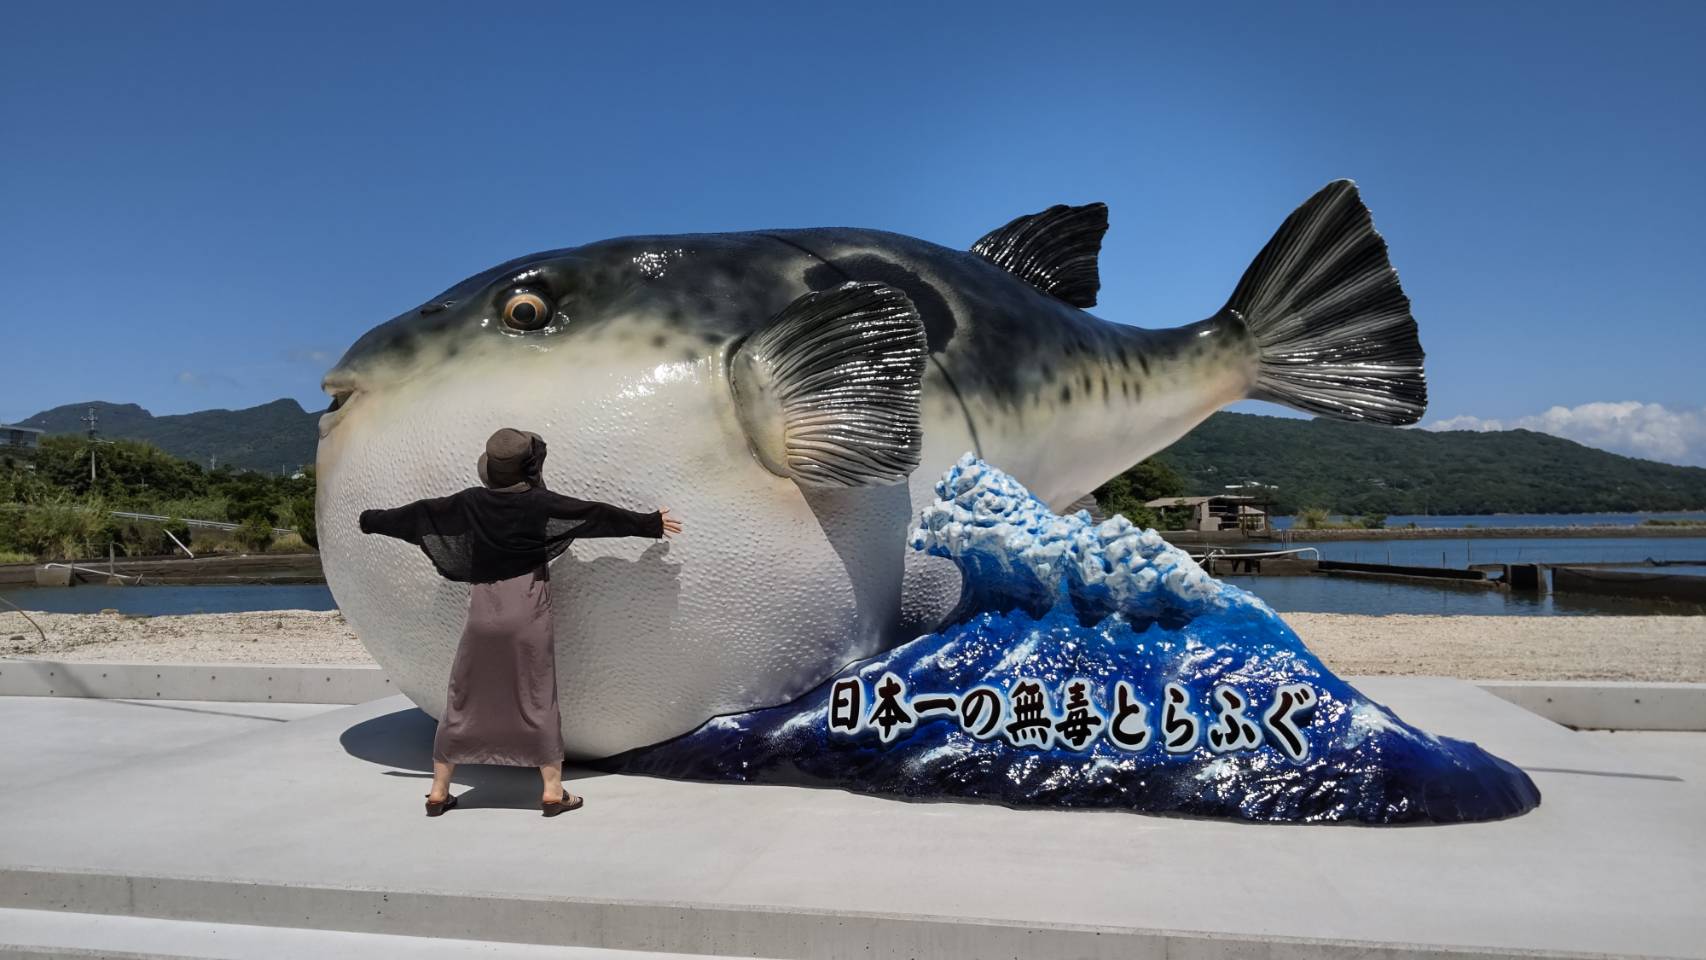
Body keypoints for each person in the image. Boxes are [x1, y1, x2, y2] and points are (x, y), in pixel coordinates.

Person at [358, 427, 682, 817]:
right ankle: (552, 791)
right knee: (537, 695)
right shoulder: (539, 504)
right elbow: (593, 515)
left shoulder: (469, 502)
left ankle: (438, 792)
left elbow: (418, 514)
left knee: (462, 697)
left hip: (483, 614)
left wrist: (369, 519)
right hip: (527, 611)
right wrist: (650, 523)